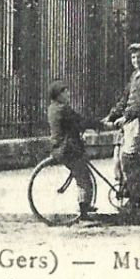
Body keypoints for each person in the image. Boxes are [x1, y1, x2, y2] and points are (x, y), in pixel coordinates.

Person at [106, 42, 140, 216]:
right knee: (118, 159)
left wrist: (126, 117)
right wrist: (112, 115)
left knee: (130, 160)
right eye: (133, 57)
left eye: (139, 57)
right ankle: (126, 192)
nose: (135, 60)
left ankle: (135, 203)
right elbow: (125, 99)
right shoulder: (134, 76)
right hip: (129, 122)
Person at [46, 80, 105, 219]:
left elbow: (74, 124)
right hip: (68, 149)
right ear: (58, 95)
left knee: (82, 174)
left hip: (60, 147)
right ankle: (83, 214)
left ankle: (86, 205)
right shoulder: (63, 109)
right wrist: (99, 125)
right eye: (64, 91)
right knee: (84, 178)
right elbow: (79, 121)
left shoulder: (53, 108)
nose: (68, 94)